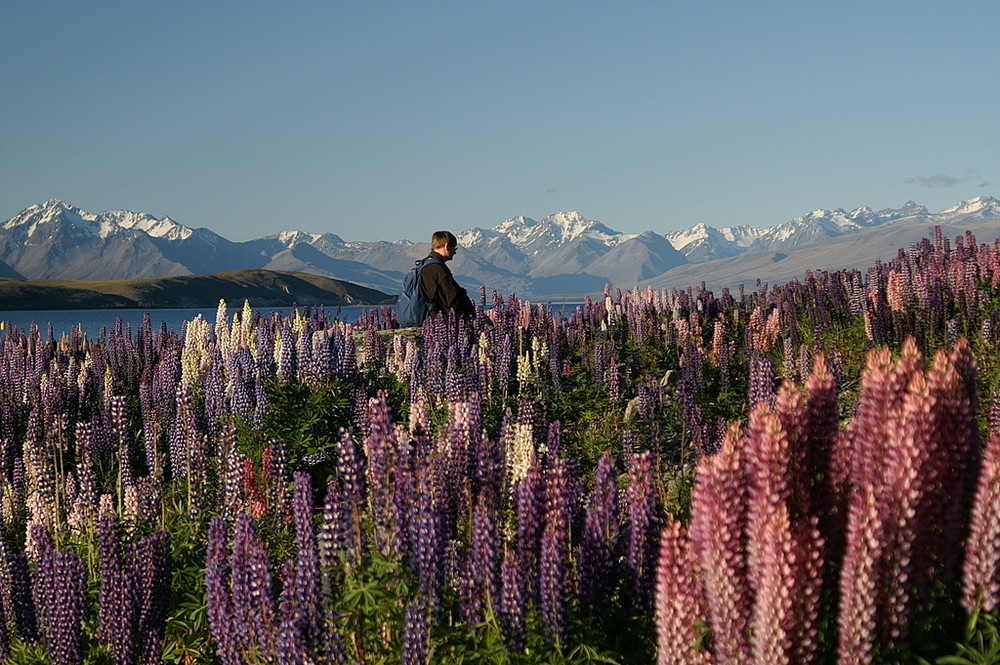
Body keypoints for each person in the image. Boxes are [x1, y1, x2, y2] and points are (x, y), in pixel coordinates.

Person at [419, 230, 476, 319]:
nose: (455, 252)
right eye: (454, 248)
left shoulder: (424, 264)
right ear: (447, 246)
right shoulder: (439, 269)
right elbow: (452, 296)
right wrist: (470, 313)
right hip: (439, 319)